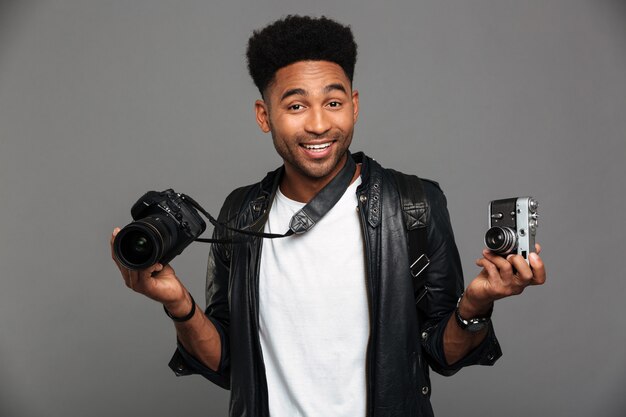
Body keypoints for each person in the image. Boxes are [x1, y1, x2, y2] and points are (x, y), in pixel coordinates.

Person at [110, 15, 546, 417]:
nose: (319, 124)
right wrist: (178, 304)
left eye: (333, 103)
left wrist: (477, 303)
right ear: (265, 116)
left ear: (354, 105)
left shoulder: (414, 203)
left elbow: (442, 355)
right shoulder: (241, 212)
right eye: (296, 106)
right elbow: (226, 363)